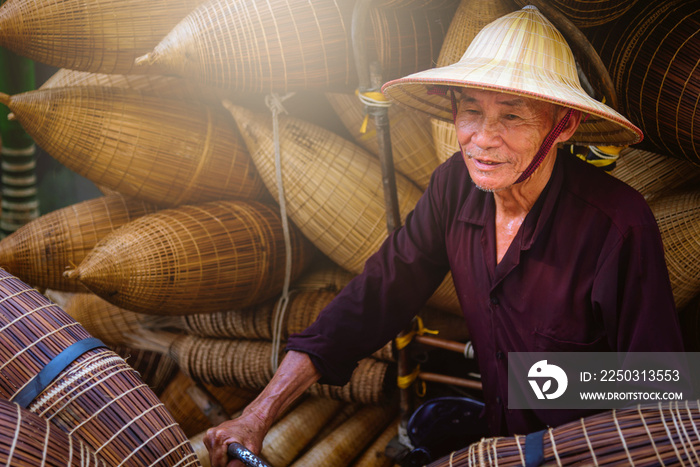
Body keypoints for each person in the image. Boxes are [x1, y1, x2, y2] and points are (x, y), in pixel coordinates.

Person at [205, 6, 684, 466]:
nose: (482, 138)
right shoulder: (455, 184)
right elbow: (380, 290)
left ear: (564, 125)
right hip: (494, 441)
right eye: (471, 111)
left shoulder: (617, 224)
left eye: (512, 116)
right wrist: (257, 415)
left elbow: (657, 388)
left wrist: (544, 390)